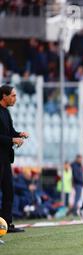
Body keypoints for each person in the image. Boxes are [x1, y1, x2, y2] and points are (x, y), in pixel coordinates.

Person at [0, 85, 29, 233]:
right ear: (3, 96)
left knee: (9, 191)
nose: (15, 99)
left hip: (5, 158)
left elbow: (10, 132)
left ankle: (6, 225)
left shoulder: (6, 112)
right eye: (13, 95)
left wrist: (19, 134)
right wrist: (12, 140)